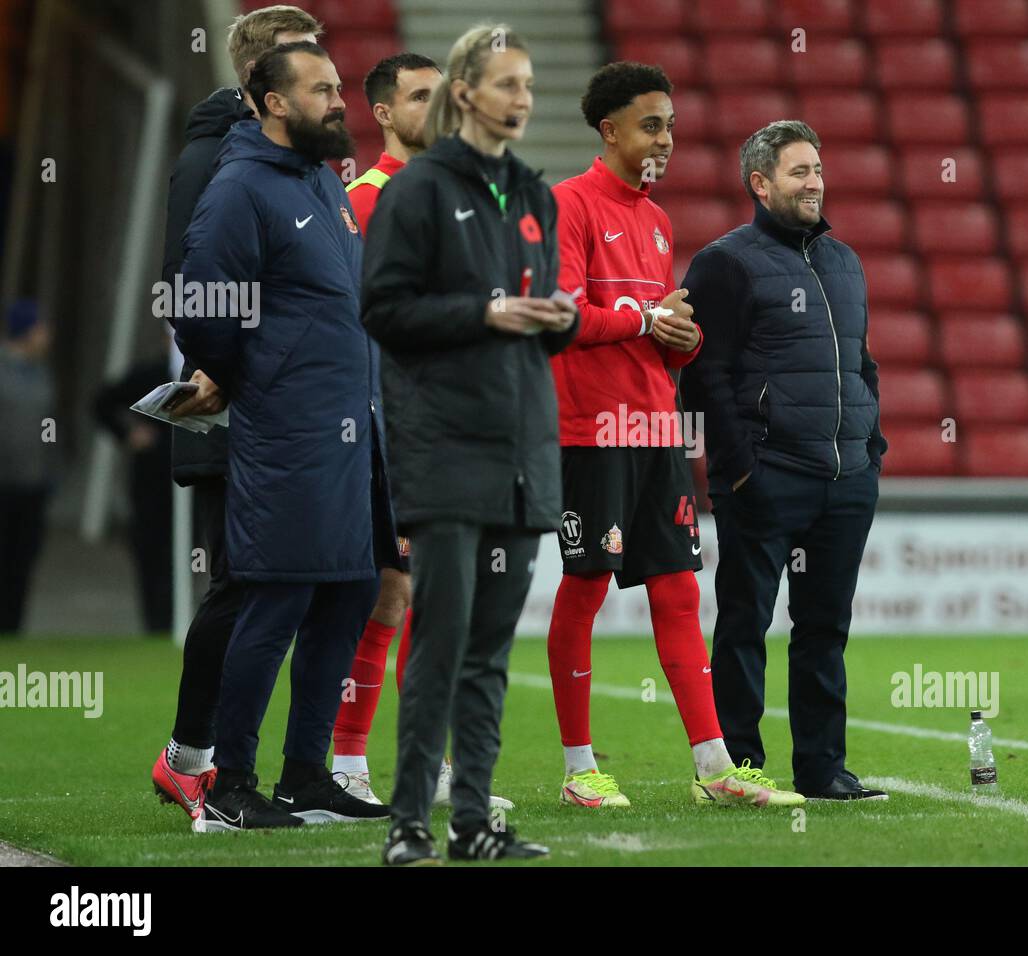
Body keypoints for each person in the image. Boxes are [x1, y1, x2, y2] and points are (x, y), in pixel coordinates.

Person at [544, 62, 803, 810]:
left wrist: (680, 338)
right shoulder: (567, 206)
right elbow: (561, 316)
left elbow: (658, 336)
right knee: (586, 585)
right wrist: (644, 319)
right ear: (611, 129)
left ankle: (716, 767)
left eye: (673, 126)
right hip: (590, 432)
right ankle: (577, 769)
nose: (666, 139)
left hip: (655, 429)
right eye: (652, 124)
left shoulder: (657, 221)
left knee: (679, 591)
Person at [362, 22, 576, 865]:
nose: (523, 100)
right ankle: (408, 824)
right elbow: (381, 311)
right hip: (445, 447)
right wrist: (482, 312)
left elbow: (538, 320)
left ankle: (473, 822)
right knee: (440, 645)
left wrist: (554, 321)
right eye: (508, 85)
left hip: (524, 450)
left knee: (489, 654)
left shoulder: (534, 194)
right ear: (465, 93)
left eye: (529, 85)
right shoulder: (417, 190)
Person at [175, 41, 392, 831]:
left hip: (353, 428)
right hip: (291, 432)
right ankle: (229, 786)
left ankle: (305, 774)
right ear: (271, 102)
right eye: (321, 90)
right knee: (278, 600)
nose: (340, 101)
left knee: (349, 592)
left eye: (339, 87)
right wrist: (248, 376)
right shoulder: (240, 188)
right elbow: (200, 307)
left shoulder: (321, 184)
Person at [680, 121, 890, 801]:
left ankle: (823, 768)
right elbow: (703, 378)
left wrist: (871, 451)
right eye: (799, 172)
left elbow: (860, 363)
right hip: (766, 477)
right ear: (761, 183)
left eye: (819, 170)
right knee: (745, 622)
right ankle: (739, 765)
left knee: (825, 629)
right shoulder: (725, 263)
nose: (815, 183)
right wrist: (740, 471)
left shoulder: (844, 262)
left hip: (845, 478)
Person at [150, 3, 323, 820]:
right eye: (305, 64)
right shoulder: (220, 154)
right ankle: (195, 759)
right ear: (267, 76)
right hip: (241, 405)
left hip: (289, 402)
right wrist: (229, 368)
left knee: (276, 580)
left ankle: (282, 764)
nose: (325, 81)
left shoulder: (285, 154)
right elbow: (192, 277)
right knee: (242, 582)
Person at [336, 50, 516, 813]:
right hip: (391, 427)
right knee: (391, 593)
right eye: (420, 97)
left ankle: (425, 764)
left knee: (433, 598)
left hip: (456, 422)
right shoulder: (366, 200)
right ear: (382, 112)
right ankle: (346, 761)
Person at [91, 336, 173, 633]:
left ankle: (179, 618)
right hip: (151, 483)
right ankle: (157, 625)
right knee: (151, 553)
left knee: (186, 555)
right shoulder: (149, 376)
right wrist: (127, 435)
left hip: (189, 485)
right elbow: (102, 403)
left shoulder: (203, 377)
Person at [0, 300, 56, 635]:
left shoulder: (42, 374)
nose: (47, 336)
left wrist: (50, 466)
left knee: (22, 561)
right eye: (41, 328)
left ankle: (12, 628)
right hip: (3, 483)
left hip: (32, 485)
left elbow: (48, 425)